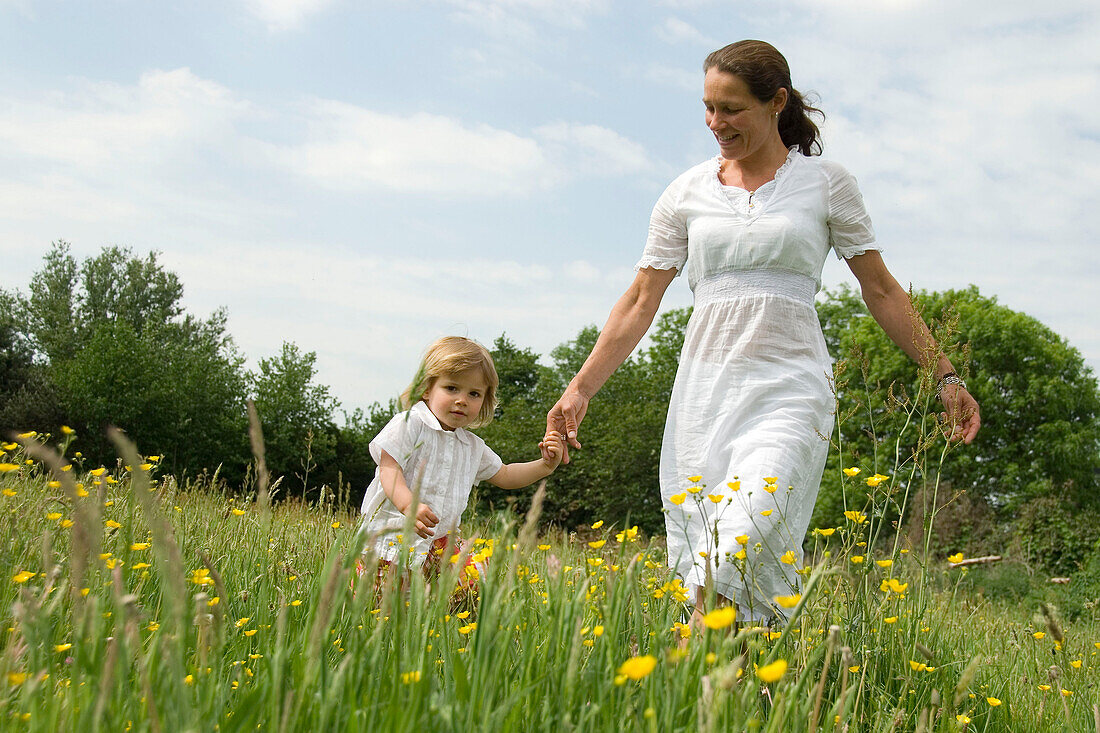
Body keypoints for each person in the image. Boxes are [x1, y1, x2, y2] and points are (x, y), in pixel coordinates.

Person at [545, 40, 980, 627]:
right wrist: (579, 389)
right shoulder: (686, 192)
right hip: (705, 393)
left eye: (730, 109)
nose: (714, 123)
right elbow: (640, 301)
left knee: (744, 533)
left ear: (776, 102)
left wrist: (943, 374)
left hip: (791, 387)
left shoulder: (825, 184)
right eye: (707, 107)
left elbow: (880, 290)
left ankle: (709, 684)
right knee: (710, 558)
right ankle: (721, 694)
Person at [357, 336, 564, 589]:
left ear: (485, 401)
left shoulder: (472, 446)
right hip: (391, 539)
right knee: (385, 609)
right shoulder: (410, 424)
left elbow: (506, 474)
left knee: (472, 583)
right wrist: (408, 504)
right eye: (452, 388)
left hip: (439, 544)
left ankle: (459, 622)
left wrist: (544, 466)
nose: (462, 399)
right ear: (426, 388)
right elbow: (389, 468)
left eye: (474, 393)